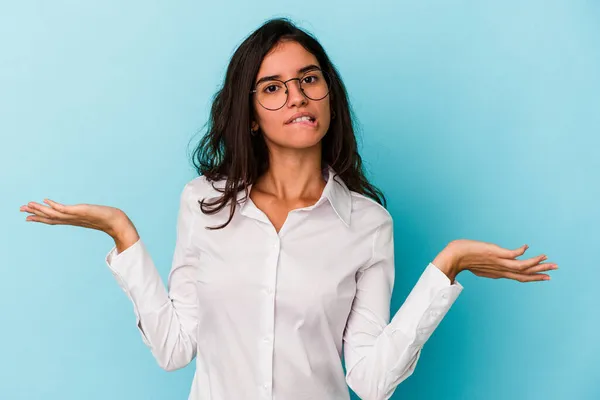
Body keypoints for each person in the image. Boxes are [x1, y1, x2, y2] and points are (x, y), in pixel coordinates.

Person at [19, 17, 557, 400]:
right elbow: (175, 348)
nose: (296, 96)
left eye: (308, 79)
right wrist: (121, 233)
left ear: (329, 94)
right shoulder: (202, 202)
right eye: (272, 88)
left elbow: (369, 381)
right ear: (251, 114)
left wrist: (448, 266)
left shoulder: (368, 224)